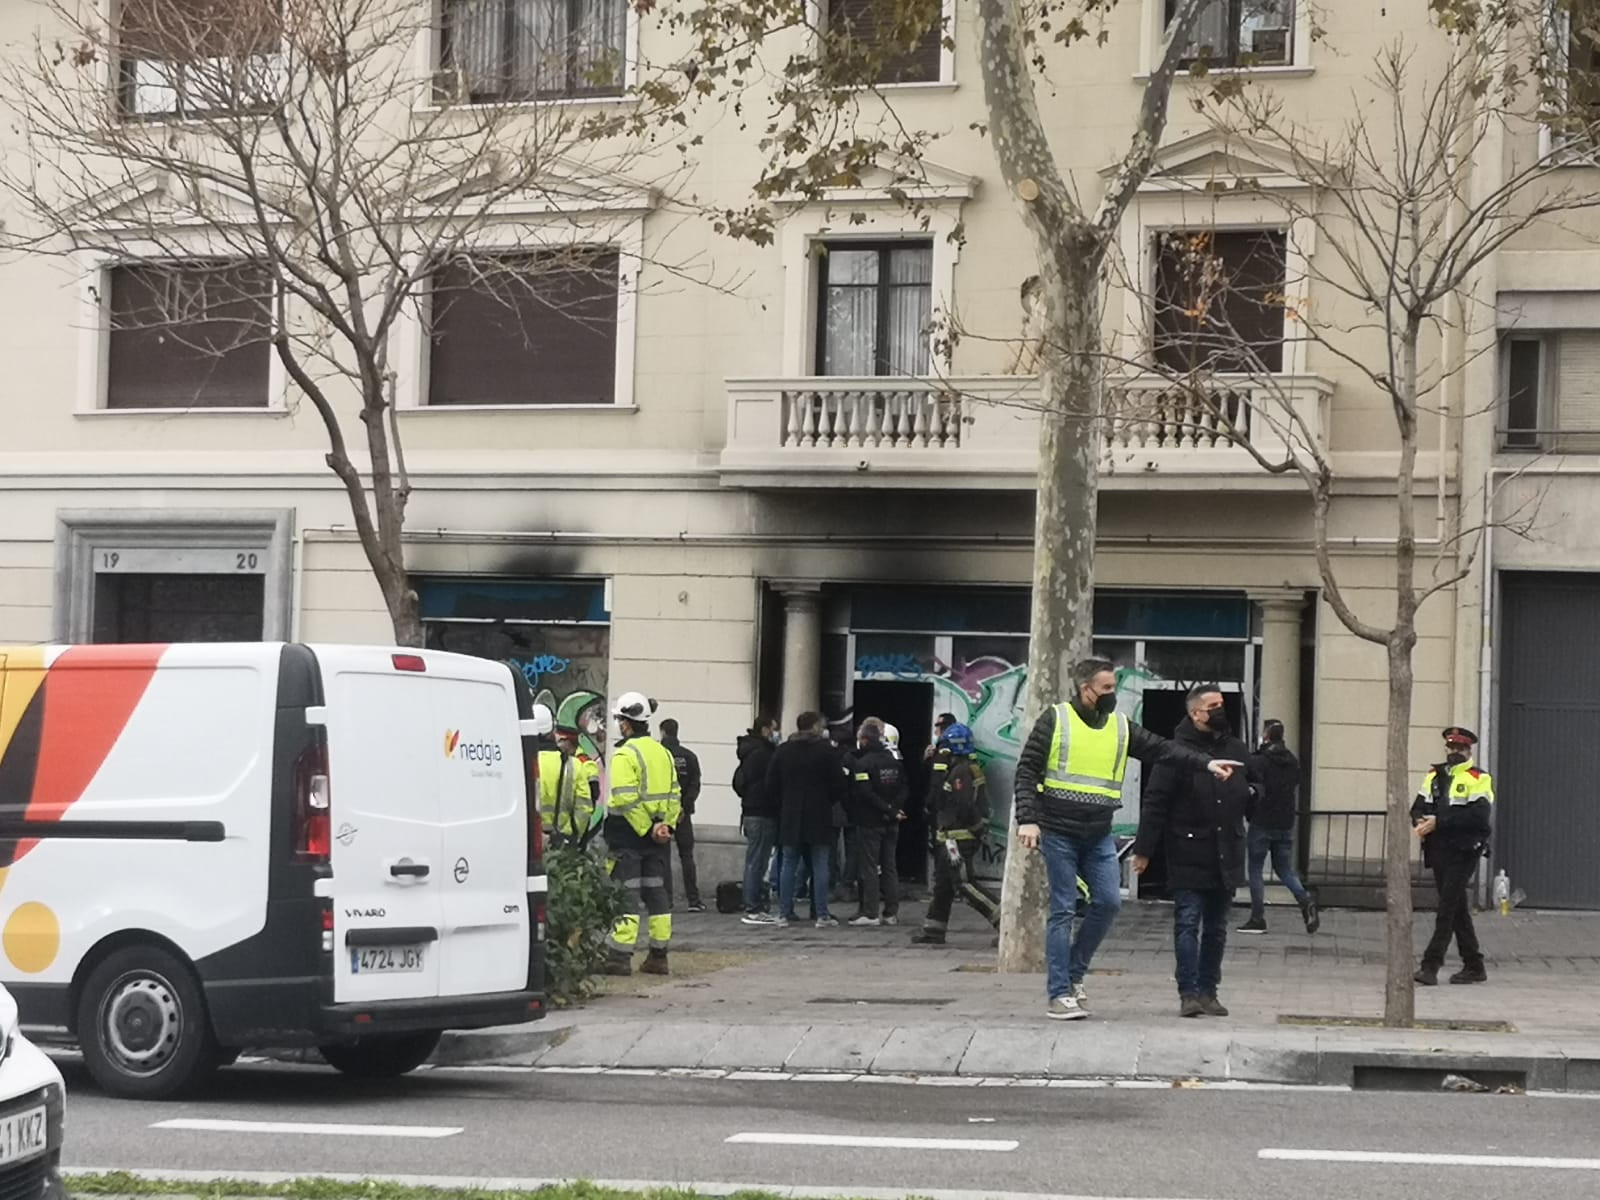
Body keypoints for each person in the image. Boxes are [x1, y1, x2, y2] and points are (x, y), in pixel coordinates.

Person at [1014, 658, 1236, 1022]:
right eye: (1106, 688)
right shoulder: (1056, 720)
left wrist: (1206, 764)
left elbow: (1163, 749)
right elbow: (1027, 770)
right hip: (1058, 831)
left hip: (1099, 831)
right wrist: (1028, 820)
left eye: (1114, 687)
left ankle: (1073, 975)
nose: (1112, 694)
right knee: (1064, 908)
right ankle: (1059, 994)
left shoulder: (1119, 726)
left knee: (1108, 903)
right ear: (1086, 689)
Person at [1133, 684, 1253, 1018]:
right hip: (1189, 848)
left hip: (1227, 849)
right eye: (1213, 705)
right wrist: (1144, 849)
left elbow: (1254, 787)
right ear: (1195, 713)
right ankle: (1188, 992)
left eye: (1222, 704)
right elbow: (1155, 802)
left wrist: (1253, 796)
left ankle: (1208, 990)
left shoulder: (1235, 747)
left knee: (1216, 927)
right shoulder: (1176, 752)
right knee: (1187, 921)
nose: (1220, 710)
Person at [600, 692, 681, 977]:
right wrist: (665, 827)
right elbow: (675, 794)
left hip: (629, 838)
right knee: (656, 894)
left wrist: (647, 828)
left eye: (619, 719)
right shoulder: (664, 753)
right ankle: (659, 956)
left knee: (627, 895)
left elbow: (624, 799)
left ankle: (619, 958)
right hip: (658, 840)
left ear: (626, 723)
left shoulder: (624, 754)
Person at [1412, 726, 1494, 987]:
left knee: (1446, 908)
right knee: (1457, 907)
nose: (1455, 752)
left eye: (1460, 748)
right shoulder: (1434, 775)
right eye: (1451, 747)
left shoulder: (1478, 778)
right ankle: (1474, 964)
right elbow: (1417, 807)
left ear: (1469, 750)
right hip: (1438, 851)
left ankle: (1430, 966)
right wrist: (1421, 821)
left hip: (1464, 849)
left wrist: (1439, 822)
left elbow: (1478, 816)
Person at [913, 722, 999, 944]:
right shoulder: (960, 768)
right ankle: (934, 930)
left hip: (959, 839)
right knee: (943, 885)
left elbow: (964, 806)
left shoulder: (961, 772)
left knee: (965, 884)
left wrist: (977, 829)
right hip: (951, 837)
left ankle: (1005, 922)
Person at [1238, 719, 1319, 936]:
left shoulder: (1259, 761)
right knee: (1284, 869)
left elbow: (1251, 789)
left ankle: (1257, 918)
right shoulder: (1292, 761)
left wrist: (1249, 812)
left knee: (1255, 869)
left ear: (1265, 735)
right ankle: (1305, 900)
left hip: (1262, 820)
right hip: (1285, 821)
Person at [767, 710, 847, 928]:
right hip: (819, 814)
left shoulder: (784, 751)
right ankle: (821, 915)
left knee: (789, 864)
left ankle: (784, 913)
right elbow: (839, 784)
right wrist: (827, 801)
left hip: (790, 815)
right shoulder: (826, 751)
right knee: (820, 864)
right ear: (813, 727)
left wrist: (784, 804)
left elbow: (771, 783)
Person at [846, 717, 907, 927]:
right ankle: (891, 913)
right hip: (892, 821)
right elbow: (904, 788)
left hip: (869, 821)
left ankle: (870, 913)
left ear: (863, 740)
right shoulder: (894, 761)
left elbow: (865, 793)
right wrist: (893, 811)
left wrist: (886, 809)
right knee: (890, 867)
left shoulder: (863, 764)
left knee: (869, 867)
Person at [736, 716, 782, 924]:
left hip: (750, 811)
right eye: (773, 729)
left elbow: (739, 782)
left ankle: (753, 903)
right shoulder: (763, 753)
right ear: (765, 730)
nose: (775, 733)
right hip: (763, 811)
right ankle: (754, 906)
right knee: (758, 861)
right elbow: (771, 782)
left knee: (754, 859)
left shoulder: (749, 751)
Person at [658, 718, 704, 913]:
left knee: (663, 857)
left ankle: (666, 899)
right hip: (683, 815)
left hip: (662, 814)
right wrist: (685, 806)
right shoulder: (689, 756)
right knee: (687, 855)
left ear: (662, 732)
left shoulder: (658, 755)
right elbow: (695, 784)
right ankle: (693, 900)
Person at [556, 722, 603, 843]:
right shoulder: (561, 760)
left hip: (577, 825)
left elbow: (593, 795)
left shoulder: (586, 763)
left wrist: (577, 826)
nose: (558, 744)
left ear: (569, 742)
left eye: (561, 740)